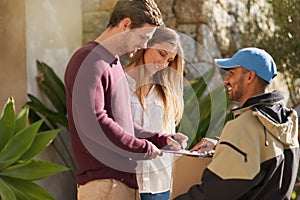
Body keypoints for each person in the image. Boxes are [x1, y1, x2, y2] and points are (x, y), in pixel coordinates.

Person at [64, 1, 186, 199]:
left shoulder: (114, 65)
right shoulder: (89, 60)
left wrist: (160, 139)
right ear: (126, 24)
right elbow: (95, 123)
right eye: (143, 37)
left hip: (121, 186)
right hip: (105, 186)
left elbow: (125, 126)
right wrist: (144, 148)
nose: (144, 45)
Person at [175, 47, 299, 199]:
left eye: (232, 73)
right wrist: (223, 145)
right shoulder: (285, 122)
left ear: (250, 77)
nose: (226, 80)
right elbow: (264, 155)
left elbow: (216, 192)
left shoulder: (245, 125)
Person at [124, 27, 186, 200]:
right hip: (126, 180)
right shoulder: (118, 81)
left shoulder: (165, 93)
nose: (163, 63)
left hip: (160, 183)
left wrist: (175, 141)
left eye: (169, 60)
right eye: (161, 53)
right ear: (147, 44)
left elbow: (166, 134)